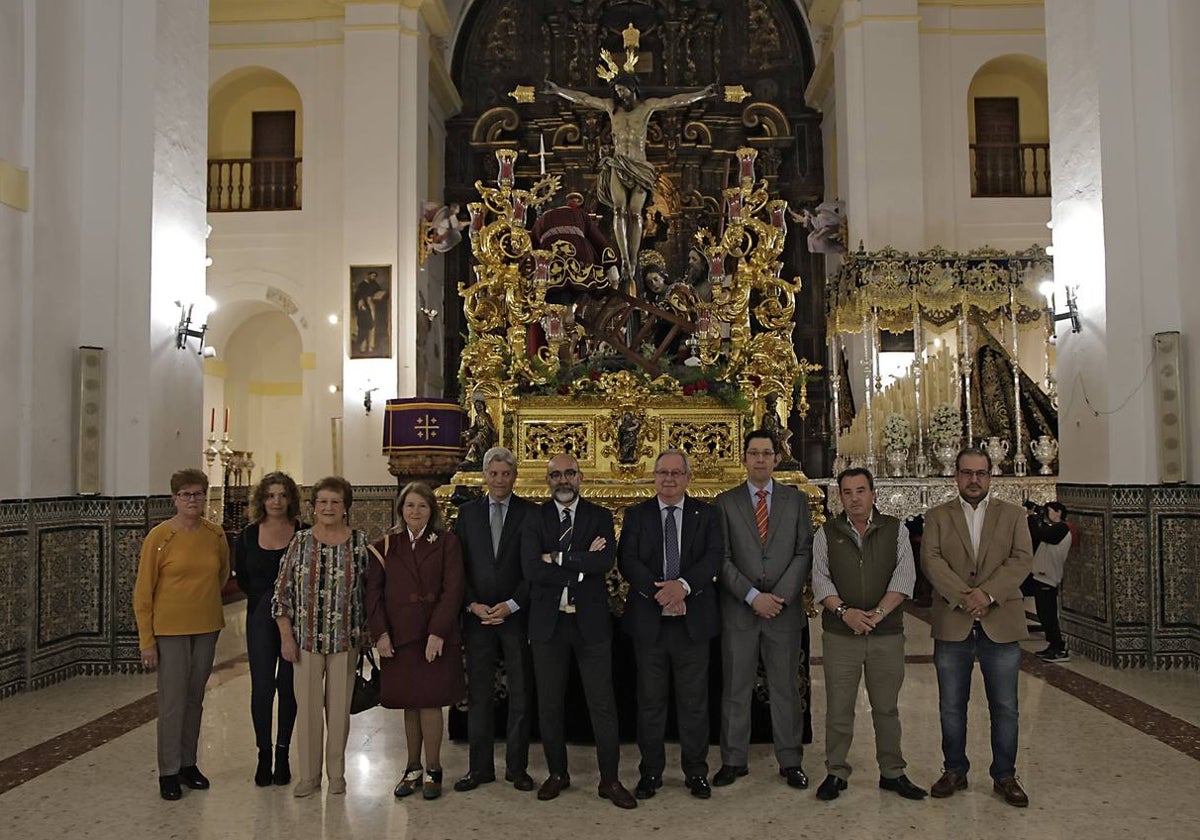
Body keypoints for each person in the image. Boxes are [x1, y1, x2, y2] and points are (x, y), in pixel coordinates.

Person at [520, 453, 637, 810]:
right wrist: (580, 564)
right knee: (550, 704)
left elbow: (604, 562)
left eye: (569, 473)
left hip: (591, 624)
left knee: (602, 704)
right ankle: (557, 774)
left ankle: (610, 779)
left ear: (580, 476)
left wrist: (555, 557)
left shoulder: (599, 516)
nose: (563, 480)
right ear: (548, 480)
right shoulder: (534, 517)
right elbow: (530, 569)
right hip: (548, 625)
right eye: (555, 475)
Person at [921, 447, 1033, 808]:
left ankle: (1005, 775)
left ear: (990, 476)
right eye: (967, 473)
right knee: (952, 705)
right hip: (954, 621)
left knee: (1005, 705)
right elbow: (931, 560)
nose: (973, 480)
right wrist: (964, 596)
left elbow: (1021, 560)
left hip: (1000, 621)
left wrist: (987, 594)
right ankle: (954, 769)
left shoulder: (1013, 515)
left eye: (980, 473)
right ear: (956, 476)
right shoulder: (937, 516)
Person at [810, 468, 926, 802]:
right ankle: (835, 772)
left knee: (886, 707)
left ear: (873, 493)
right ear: (840, 497)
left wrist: (874, 615)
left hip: (885, 634)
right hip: (840, 635)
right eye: (847, 492)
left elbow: (904, 577)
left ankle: (893, 772)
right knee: (839, 707)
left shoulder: (894, 529)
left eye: (861, 490)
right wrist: (845, 613)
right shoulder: (827, 533)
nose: (855, 498)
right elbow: (820, 579)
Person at [618, 450, 723, 800]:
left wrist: (684, 588)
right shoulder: (637, 515)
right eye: (662, 472)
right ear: (654, 476)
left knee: (694, 702)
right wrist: (660, 593)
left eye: (676, 473)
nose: (669, 479)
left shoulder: (706, 515)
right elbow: (628, 560)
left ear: (688, 478)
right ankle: (650, 773)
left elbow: (713, 556)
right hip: (651, 622)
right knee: (650, 702)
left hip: (692, 623)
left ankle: (696, 772)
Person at [544, 75, 718, 283]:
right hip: (618, 164)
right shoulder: (611, 107)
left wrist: (702, 94)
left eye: (622, 90)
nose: (619, 94)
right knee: (619, 209)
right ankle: (624, 258)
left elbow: (675, 100)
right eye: (616, 91)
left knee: (635, 213)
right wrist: (557, 90)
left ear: (632, 88)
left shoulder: (646, 107)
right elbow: (584, 99)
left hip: (640, 167)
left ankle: (633, 260)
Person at [713, 430, 813, 790]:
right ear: (744, 458)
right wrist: (753, 596)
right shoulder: (725, 502)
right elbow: (721, 559)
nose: (759, 459)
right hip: (740, 609)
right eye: (753, 453)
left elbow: (804, 551)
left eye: (766, 453)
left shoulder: (795, 501)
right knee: (735, 688)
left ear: (776, 458)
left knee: (785, 687)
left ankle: (790, 761)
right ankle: (733, 760)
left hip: (782, 612)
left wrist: (779, 596)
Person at [134, 468, 230, 802]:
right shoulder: (160, 537)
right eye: (186, 494)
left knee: (195, 698)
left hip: (206, 626)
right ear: (175, 498)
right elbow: (143, 592)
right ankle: (168, 770)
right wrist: (147, 640)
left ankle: (189, 764)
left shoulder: (214, 534)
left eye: (199, 494)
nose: (193, 500)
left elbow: (220, 576)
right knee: (172, 701)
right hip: (170, 630)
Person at [272, 476, 369, 798]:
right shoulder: (300, 543)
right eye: (322, 502)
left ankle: (337, 775)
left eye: (335, 502)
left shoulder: (359, 543)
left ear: (346, 508)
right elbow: (281, 595)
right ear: (313, 507)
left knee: (339, 712)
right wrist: (287, 638)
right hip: (306, 642)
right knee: (309, 710)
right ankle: (310, 777)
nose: (328, 508)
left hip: (345, 641)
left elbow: (370, 594)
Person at [368, 482, 466, 801]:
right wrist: (380, 634)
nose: (415, 511)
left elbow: (453, 590)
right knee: (408, 703)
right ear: (400, 509)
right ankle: (412, 767)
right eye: (409, 505)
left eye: (422, 506)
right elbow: (373, 595)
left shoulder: (447, 543)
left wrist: (438, 631)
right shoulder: (385, 546)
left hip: (434, 637)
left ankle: (434, 769)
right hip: (399, 638)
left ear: (431, 511)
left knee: (430, 702)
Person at [453, 447, 536, 793]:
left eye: (506, 474)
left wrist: (514, 603)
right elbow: (458, 568)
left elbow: (534, 568)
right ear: (485, 476)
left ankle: (517, 769)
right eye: (494, 473)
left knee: (520, 693)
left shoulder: (531, 514)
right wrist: (472, 604)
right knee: (480, 695)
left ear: (514, 476)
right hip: (478, 617)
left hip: (515, 616)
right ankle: (479, 768)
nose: (500, 480)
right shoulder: (467, 515)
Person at [235, 471, 305, 787]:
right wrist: (265, 605)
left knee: (288, 687)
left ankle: (283, 752)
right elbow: (245, 580)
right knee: (262, 688)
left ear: (290, 499)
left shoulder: (302, 533)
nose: (276, 501)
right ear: (261, 500)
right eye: (270, 495)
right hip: (260, 618)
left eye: (282, 495)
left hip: (296, 621)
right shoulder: (249, 535)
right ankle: (264, 753)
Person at [1021, 501, 1072, 662]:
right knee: (1044, 614)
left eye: (1048, 512)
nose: (1046, 515)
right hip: (1040, 576)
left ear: (1058, 512)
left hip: (1049, 577)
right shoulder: (1053, 529)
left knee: (1048, 615)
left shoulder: (1062, 528)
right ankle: (1053, 645)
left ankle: (1058, 648)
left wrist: (1031, 517)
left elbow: (1041, 534)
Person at [461, 398, 498, 468]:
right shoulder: (477, 417)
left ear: (483, 406)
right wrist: (468, 432)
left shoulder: (487, 416)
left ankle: (474, 441)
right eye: (476, 406)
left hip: (486, 436)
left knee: (481, 434)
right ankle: (470, 459)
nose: (478, 408)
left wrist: (494, 432)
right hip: (479, 435)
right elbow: (474, 428)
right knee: (474, 443)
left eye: (479, 405)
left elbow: (491, 427)